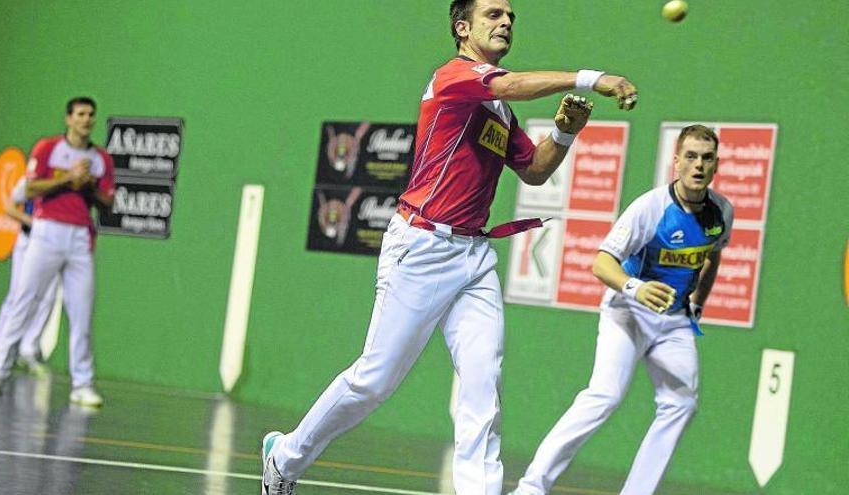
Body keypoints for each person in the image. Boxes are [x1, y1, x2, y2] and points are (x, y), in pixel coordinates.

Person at [260, 1, 638, 493]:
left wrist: (565, 130)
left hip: (474, 258)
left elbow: (535, 169)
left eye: (511, 17)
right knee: (374, 381)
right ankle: (284, 458)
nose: (505, 22)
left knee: (483, 386)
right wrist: (590, 78)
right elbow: (506, 82)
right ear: (463, 28)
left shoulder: (499, 112)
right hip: (420, 247)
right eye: (494, 14)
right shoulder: (455, 78)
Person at [508, 125, 733, 495]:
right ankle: (531, 487)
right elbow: (601, 263)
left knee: (681, 403)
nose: (698, 165)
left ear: (716, 165)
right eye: (690, 156)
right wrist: (636, 287)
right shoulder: (650, 208)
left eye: (706, 158)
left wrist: (697, 303)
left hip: (674, 321)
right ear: (676, 162)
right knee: (605, 395)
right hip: (627, 310)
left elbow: (712, 255)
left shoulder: (722, 211)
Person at [0, 96, 114, 409]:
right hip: (46, 231)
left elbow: (108, 202)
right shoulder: (48, 148)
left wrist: (89, 185)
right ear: (68, 119)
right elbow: (28, 189)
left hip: (80, 238)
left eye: (91, 115)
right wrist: (68, 178)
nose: (86, 120)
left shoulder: (102, 159)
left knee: (81, 313)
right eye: (80, 114)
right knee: (23, 300)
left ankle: (83, 384)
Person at [0, 178, 61, 376]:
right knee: (18, 295)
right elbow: (10, 208)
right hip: (28, 242)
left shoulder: (65, 183)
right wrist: (33, 222)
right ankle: (2, 348)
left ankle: (28, 350)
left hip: (52, 245)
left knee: (47, 297)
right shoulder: (31, 180)